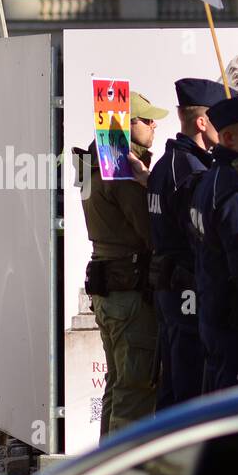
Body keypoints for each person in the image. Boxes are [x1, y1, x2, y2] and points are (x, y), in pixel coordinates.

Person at [75, 91, 167, 436]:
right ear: (128, 127)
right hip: (129, 294)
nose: (154, 125)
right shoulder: (122, 171)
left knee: (119, 385)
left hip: (111, 290)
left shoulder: (97, 163)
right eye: (146, 120)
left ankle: (106, 471)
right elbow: (149, 231)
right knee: (136, 389)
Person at [146, 79, 227, 409]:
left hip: (171, 291)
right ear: (202, 121)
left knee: (174, 382)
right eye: (220, 121)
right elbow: (200, 237)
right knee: (190, 387)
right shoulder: (190, 171)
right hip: (187, 290)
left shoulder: (166, 165)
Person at [188, 96, 238, 393]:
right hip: (231, 321)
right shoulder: (231, 190)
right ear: (230, 137)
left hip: (213, 315)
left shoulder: (209, 180)